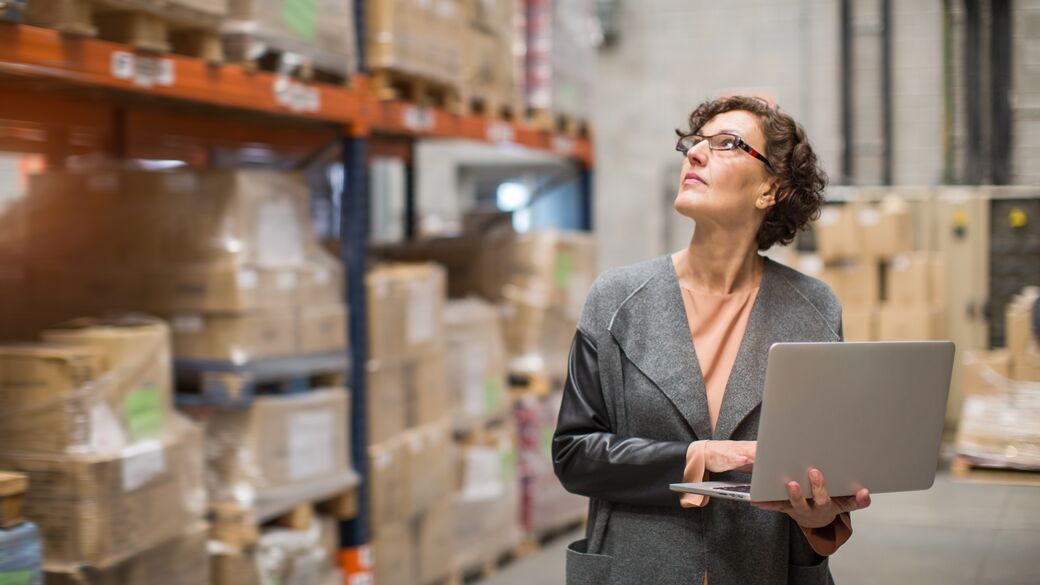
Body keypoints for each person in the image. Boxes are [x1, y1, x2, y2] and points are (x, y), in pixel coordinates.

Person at [552, 96, 872, 585]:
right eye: (695, 143)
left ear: (770, 189)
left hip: (762, 569)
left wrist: (819, 517)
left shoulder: (815, 310)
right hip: (638, 570)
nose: (695, 154)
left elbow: (821, 466)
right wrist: (696, 458)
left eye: (727, 144)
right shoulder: (618, 300)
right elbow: (575, 454)